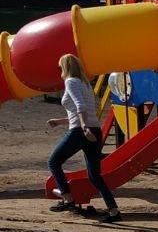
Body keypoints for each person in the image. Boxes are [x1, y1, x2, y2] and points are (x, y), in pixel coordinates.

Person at [47, 54, 121, 222]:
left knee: (54, 162)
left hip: (81, 131)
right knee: (94, 176)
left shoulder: (71, 82)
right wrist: (60, 121)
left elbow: (80, 107)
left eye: (60, 67)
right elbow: (82, 111)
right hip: (94, 129)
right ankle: (114, 211)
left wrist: (84, 127)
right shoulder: (85, 83)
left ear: (65, 67)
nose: (59, 70)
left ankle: (67, 198)